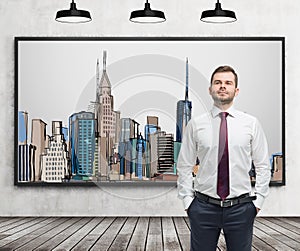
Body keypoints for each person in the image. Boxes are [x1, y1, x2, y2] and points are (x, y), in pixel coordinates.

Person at [177, 65, 271, 251]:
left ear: (236, 91)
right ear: (210, 89)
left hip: (241, 208)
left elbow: (262, 166)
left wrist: (258, 203)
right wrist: (189, 203)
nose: (222, 86)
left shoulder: (251, 124)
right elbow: (184, 166)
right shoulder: (196, 124)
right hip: (203, 208)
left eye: (228, 83)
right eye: (217, 82)